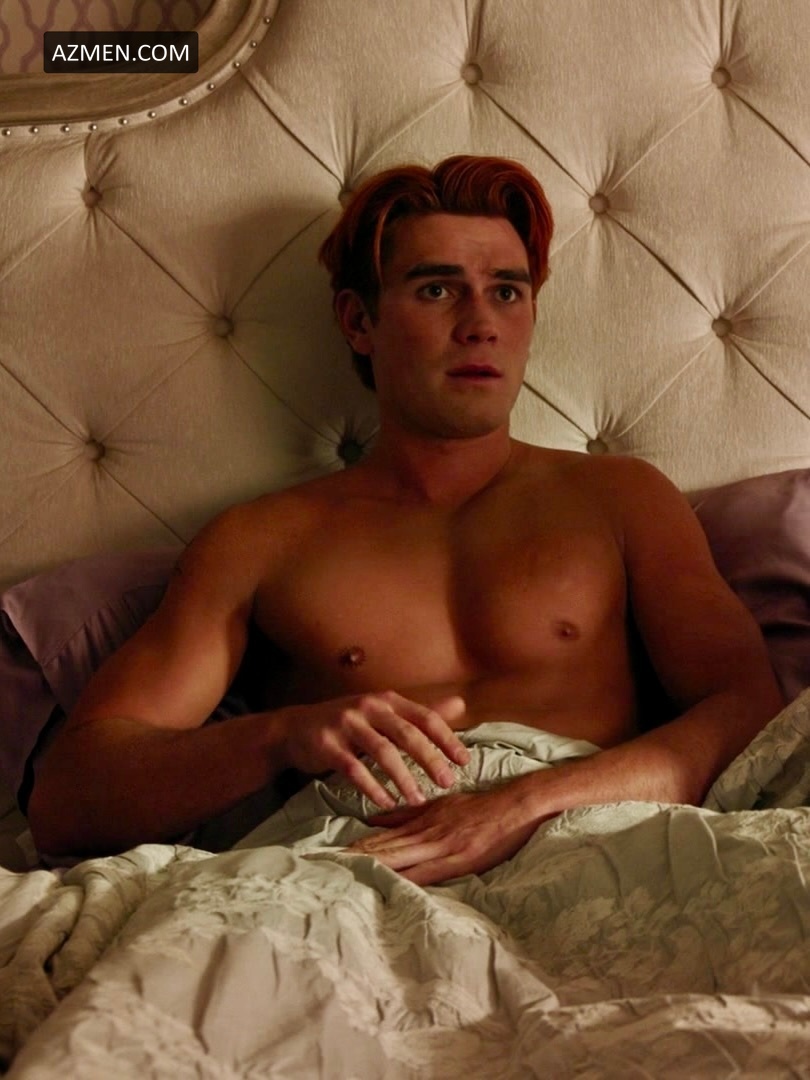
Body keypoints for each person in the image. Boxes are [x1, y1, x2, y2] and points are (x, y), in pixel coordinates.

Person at [28, 155, 784, 884]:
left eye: (507, 291)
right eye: (437, 289)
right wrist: (283, 736)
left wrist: (522, 807)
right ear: (359, 321)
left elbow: (748, 711)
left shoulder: (621, 499)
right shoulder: (261, 540)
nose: (481, 323)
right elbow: (69, 800)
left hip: (591, 847)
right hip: (358, 869)